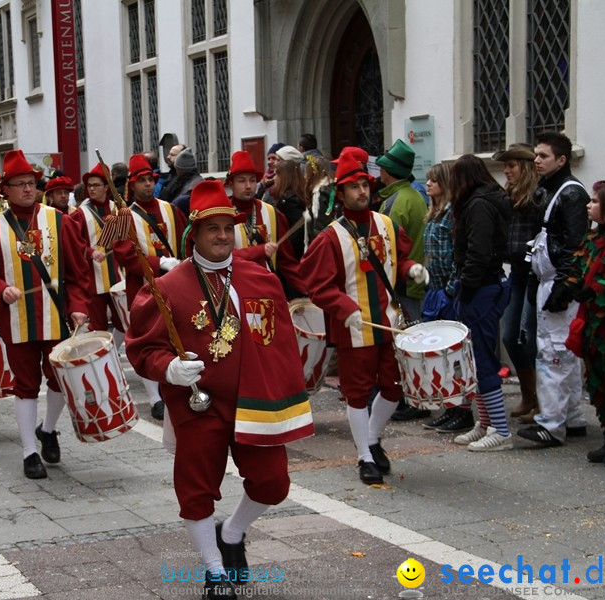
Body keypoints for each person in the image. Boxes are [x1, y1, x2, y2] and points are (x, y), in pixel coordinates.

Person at [126, 180, 313, 597]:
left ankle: (232, 533)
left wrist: (289, 395)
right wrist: (169, 368)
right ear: (195, 234)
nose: (223, 236)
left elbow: (280, 343)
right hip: (199, 406)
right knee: (195, 492)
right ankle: (214, 570)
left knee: (273, 484)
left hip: (254, 403)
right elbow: (142, 348)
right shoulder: (168, 286)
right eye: (213, 228)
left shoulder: (260, 278)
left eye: (228, 228)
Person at [302, 148, 427, 484]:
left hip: (388, 322)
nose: (362, 191)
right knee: (357, 393)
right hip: (355, 328)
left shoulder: (386, 224)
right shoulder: (330, 236)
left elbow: (396, 261)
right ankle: (364, 457)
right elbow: (316, 285)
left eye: (364, 185)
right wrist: (345, 310)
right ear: (340, 193)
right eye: (354, 187)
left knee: (394, 388)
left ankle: (372, 439)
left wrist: (412, 268)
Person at [0, 150, 91, 479]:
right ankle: (28, 452)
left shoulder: (60, 221)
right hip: (17, 319)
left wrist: (78, 306)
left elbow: (78, 274)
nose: (26, 189)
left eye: (31, 184)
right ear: (4, 191)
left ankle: (48, 429)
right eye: (19, 184)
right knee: (24, 384)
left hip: (55, 318)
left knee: (58, 380)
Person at [518, 132, 590, 448]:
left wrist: (564, 286)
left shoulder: (571, 194)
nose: (536, 160)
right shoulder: (551, 190)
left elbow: (576, 244)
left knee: (553, 355)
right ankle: (572, 419)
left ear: (561, 160)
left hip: (558, 285)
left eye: (543, 156)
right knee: (565, 354)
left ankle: (551, 424)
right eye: (536, 155)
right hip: (550, 281)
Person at [445, 155, 514, 451]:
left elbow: (479, 251)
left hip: (481, 289)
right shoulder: (484, 200)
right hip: (482, 286)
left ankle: (501, 429)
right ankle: (484, 422)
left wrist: (468, 287)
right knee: (474, 360)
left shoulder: (478, 205)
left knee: (483, 359)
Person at [113, 154, 187, 421]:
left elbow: (185, 238)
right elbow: (124, 254)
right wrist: (159, 262)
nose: (146, 184)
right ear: (131, 185)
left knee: (175, 334)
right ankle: (155, 398)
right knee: (149, 338)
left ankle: (172, 387)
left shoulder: (171, 209)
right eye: (141, 180)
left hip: (176, 284)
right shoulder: (123, 216)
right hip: (144, 287)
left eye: (149, 180)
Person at [568, 180, 605, 467]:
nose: (588, 205)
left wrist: (599, 288)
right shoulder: (594, 238)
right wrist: (569, 285)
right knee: (598, 383)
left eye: (594, 201)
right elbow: (579, 268)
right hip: (594, 324)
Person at [418, 162, 475, 434]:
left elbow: (456, 253)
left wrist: (452, 287)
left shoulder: (453, 214)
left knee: (453, 354)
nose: (428, 185)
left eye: (434, 181)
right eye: (427, 180)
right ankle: (448, 407)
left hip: (447, 291)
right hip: (434, 289)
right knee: (436, 354)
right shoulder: (433, 214)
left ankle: (461, 410)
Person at [375, 139, 428, 421]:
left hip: (401, 282)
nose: (378, 173)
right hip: (414, 279)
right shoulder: (415, 195)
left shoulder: (395, 202)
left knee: (404, 343)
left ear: (390, 172)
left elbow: (387, 246)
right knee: (412, 340)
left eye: (382, 168)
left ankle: (409, 400)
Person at [492, 143, 542, 423]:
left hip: (535, 275)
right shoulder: (507, 195)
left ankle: (540, 401)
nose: (506, 171)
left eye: (511, 166)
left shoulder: (538, 196)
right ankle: (528, 393)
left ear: (524, 167)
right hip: (517, 274)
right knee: (510, 335)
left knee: (529, 337)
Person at [224, 150, 307, 298]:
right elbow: (220, 257)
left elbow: (287, 262)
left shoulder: (273, 214)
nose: (248, 186)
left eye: (252, 180)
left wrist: (308, 291)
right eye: (242, 181)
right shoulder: (222, 215)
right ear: (231, 184)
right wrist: (259, 251)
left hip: (268, 293)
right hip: (234, 294)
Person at [71, 163, 126, 344]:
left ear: (106, 187)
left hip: (118, 276)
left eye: (96, 185)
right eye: (89, 186)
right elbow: (73, 243)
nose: (92, 189)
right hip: (93, 279)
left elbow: (127, 237)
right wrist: (90, 252)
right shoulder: (80, 214)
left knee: (124, 321)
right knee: (98, 326)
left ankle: (115, 355)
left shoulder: (118, 208)